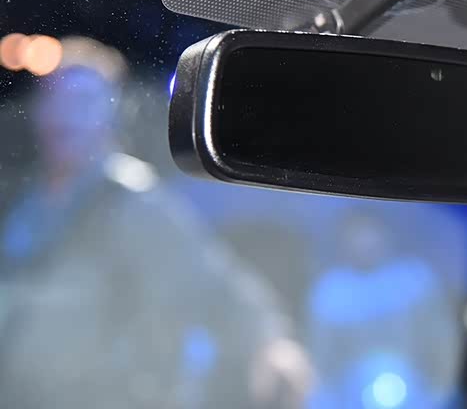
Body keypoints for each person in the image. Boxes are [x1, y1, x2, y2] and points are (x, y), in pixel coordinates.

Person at [0, 38, 310, 409]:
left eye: (84, 102)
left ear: (109, 115)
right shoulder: (22, 202)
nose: (68, 116)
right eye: (58, 100)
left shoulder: (131, 203)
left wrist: (269, 342)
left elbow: (208, 282)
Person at [307, 209, 463, 409]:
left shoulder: (413, 279)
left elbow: (439, 337)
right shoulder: (331, 291)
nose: (365, 242)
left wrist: (439, 385)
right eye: (357, 234)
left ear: (385, 234)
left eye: (370, 232)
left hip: (416, 387)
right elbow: (322, 352)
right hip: (351, 393)